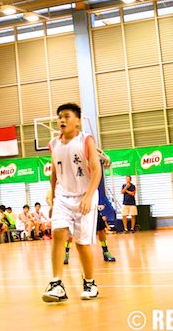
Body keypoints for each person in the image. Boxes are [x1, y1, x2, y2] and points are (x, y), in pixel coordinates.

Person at [42, 102, 102, 303]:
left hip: (85, 196)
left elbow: (96, 171)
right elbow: (54, 173)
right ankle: (57, 284)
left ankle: (90, 283)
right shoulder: (54, 144)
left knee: (81, 244)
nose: (62, 120)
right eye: (59, 117)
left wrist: (87, 197)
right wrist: (52, 198)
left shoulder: (86, 140)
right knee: (58, 234)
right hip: (62, 197)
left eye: (67, 116)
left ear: (77, 121)